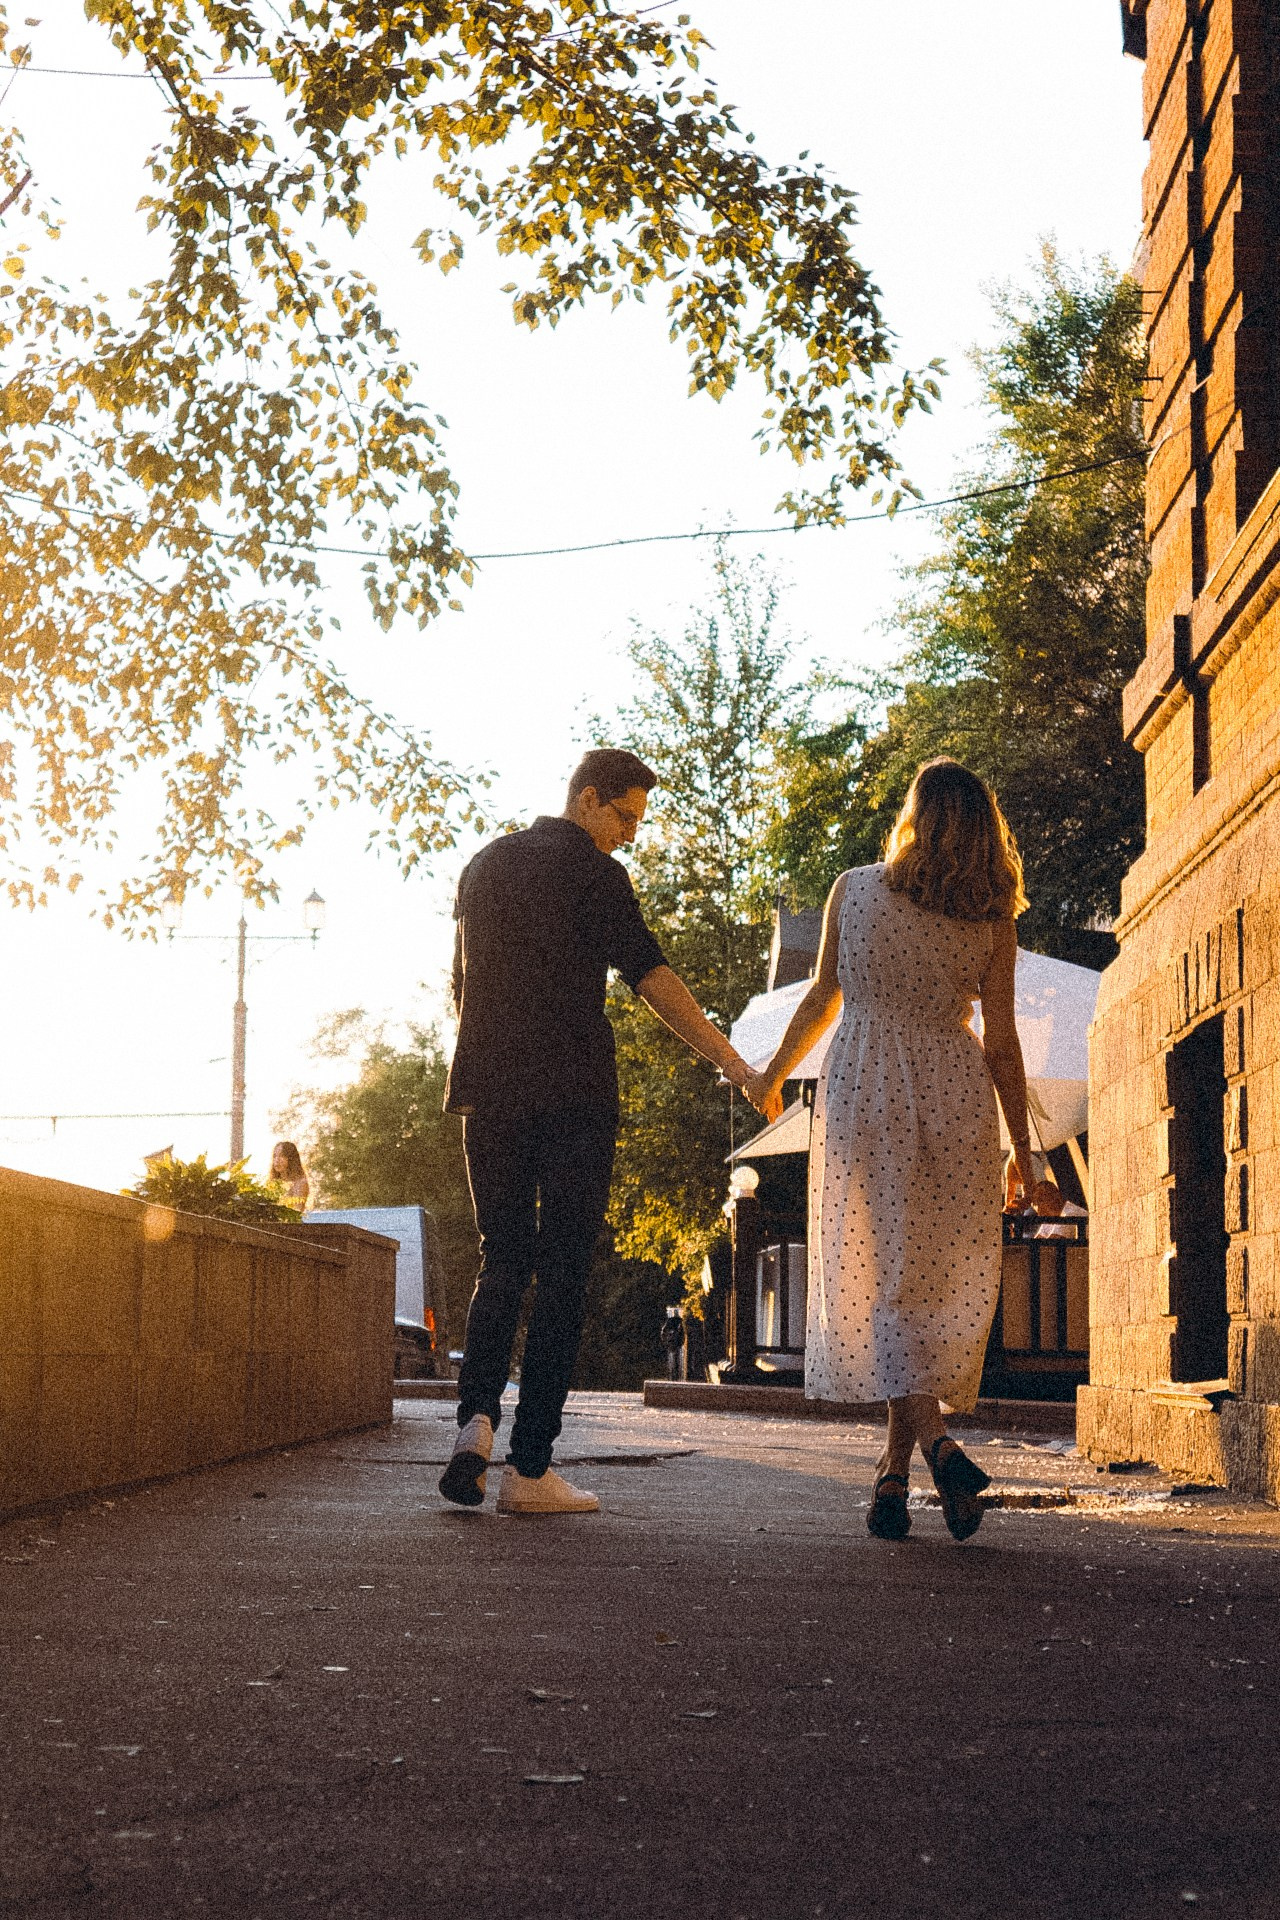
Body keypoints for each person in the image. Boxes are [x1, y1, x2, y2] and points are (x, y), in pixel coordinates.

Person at [439, 748, 766, 1516]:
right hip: (574, 1095)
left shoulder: (483, 866)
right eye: (624, 817)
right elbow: (651, 977)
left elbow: (460, 984)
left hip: (488, 1090)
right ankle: (528, 1471)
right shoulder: (593, 873)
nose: (627, 835)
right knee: (562, 1273)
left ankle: (474, 1426)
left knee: (503, 1259)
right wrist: (734, 1063)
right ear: (588, 801)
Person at [751, 758, 1057, 1544]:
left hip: (867, 1087)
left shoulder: (855, 889)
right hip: (955, 1093)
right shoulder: (993, 919)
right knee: (917, 1285)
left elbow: (823, 998)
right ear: (985, 828)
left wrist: (773, 1074)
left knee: (886, 1279)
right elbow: (1003, 1043)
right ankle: (893, 1478)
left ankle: (937, 1450)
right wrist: (1029, 1153)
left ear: (914, 818)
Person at [270, 1140, 310, 1210]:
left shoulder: (300, 1183)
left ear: (291, 1158)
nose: (277, 1160)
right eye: (275, 1156)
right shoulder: (273, 1183)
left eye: (282, 1156)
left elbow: (297, 1212)